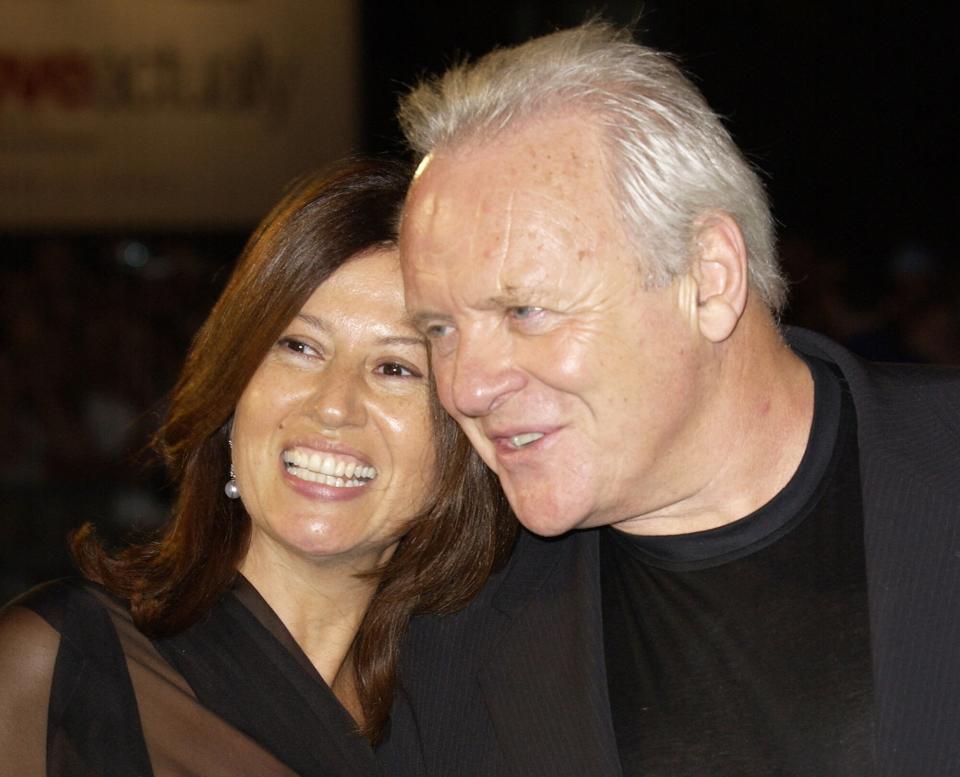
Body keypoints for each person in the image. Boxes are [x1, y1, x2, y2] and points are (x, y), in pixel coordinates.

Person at [376, 21, 960, 777]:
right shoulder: (447, 647)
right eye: (440, 328)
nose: (465, 385)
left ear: (709, 278)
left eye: (525, 310)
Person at [0, 158, 514, 777]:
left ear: (463, 431)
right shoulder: (62, 664)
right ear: (232, 391)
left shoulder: (492, 707)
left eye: (396, 368)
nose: (332, 406)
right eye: (299, 347)